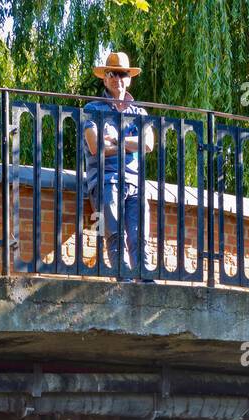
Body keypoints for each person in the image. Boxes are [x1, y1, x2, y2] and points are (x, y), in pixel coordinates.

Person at [82, 51, 156, 280]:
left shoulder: (139, 113)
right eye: (112, 73)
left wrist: (115, 141)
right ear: (105, 78)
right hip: (106, 179)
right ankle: (122, 278)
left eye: (123, 74)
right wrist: (129, 145)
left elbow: (149, 144)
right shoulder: (93, 109)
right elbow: (95, 147)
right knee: (114, 233)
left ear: (129, 77)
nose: (118, 78)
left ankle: (144, 278)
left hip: (135, 182)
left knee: (139, 236)